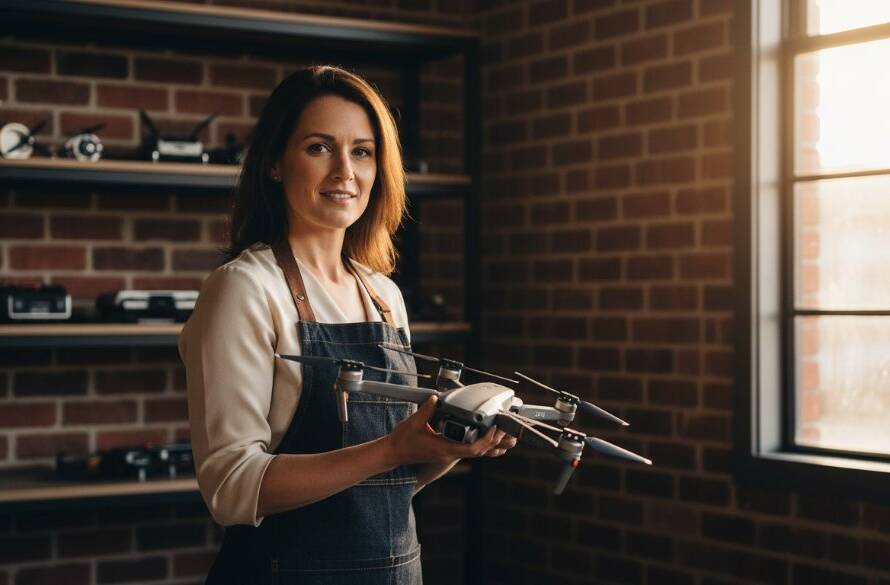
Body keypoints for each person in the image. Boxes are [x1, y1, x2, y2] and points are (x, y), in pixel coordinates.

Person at [179, 65, 517, 585]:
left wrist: (447, 448)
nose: (345, 171)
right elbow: (230, 487)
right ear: (274, 162)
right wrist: (392, 449)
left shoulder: (384, 296)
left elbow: (388, 482)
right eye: (319, 147)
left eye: (362, 151)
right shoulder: (245, 289)